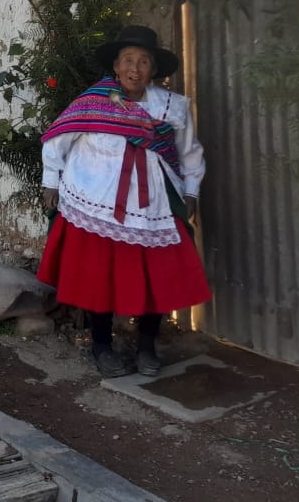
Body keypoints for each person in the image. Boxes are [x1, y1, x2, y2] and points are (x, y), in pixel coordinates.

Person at [35, 24, 209, 378]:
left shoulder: (171, 108)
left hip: (154, 207)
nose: (135, 69)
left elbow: (189, 153)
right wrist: (50, 181)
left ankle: (147, 346)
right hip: (98, 200)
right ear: (115, 66)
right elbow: (58, 141)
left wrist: (191, 191)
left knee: (156, 277)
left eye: (143, 62)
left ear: (154, 70)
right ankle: (102, 345)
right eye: (128, 60)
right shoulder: (94, 102)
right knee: (101, 277)